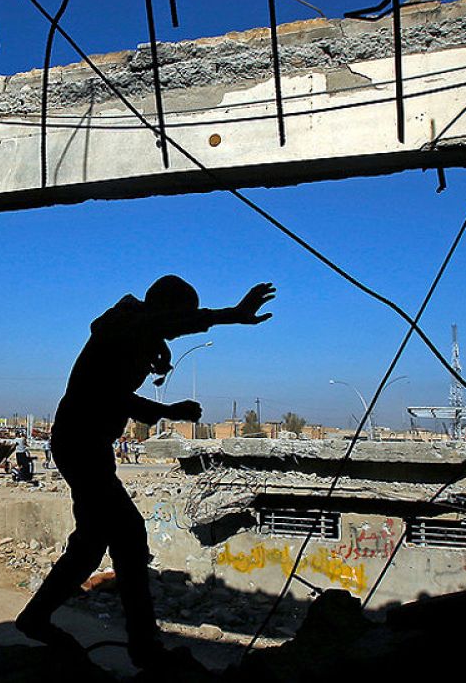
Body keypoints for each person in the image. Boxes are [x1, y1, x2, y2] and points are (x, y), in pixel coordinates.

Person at [17, 276, 275, 670]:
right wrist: (232, 316)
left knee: (93, 542)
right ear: (164, 309)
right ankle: (142, 645)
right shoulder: (126, 325)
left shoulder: (133, 332)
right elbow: (110, 394)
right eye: (180, 316)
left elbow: (119, 390)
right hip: (81, 442)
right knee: (128, 536)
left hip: (88, 444)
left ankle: (40, 618)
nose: (179, 327)